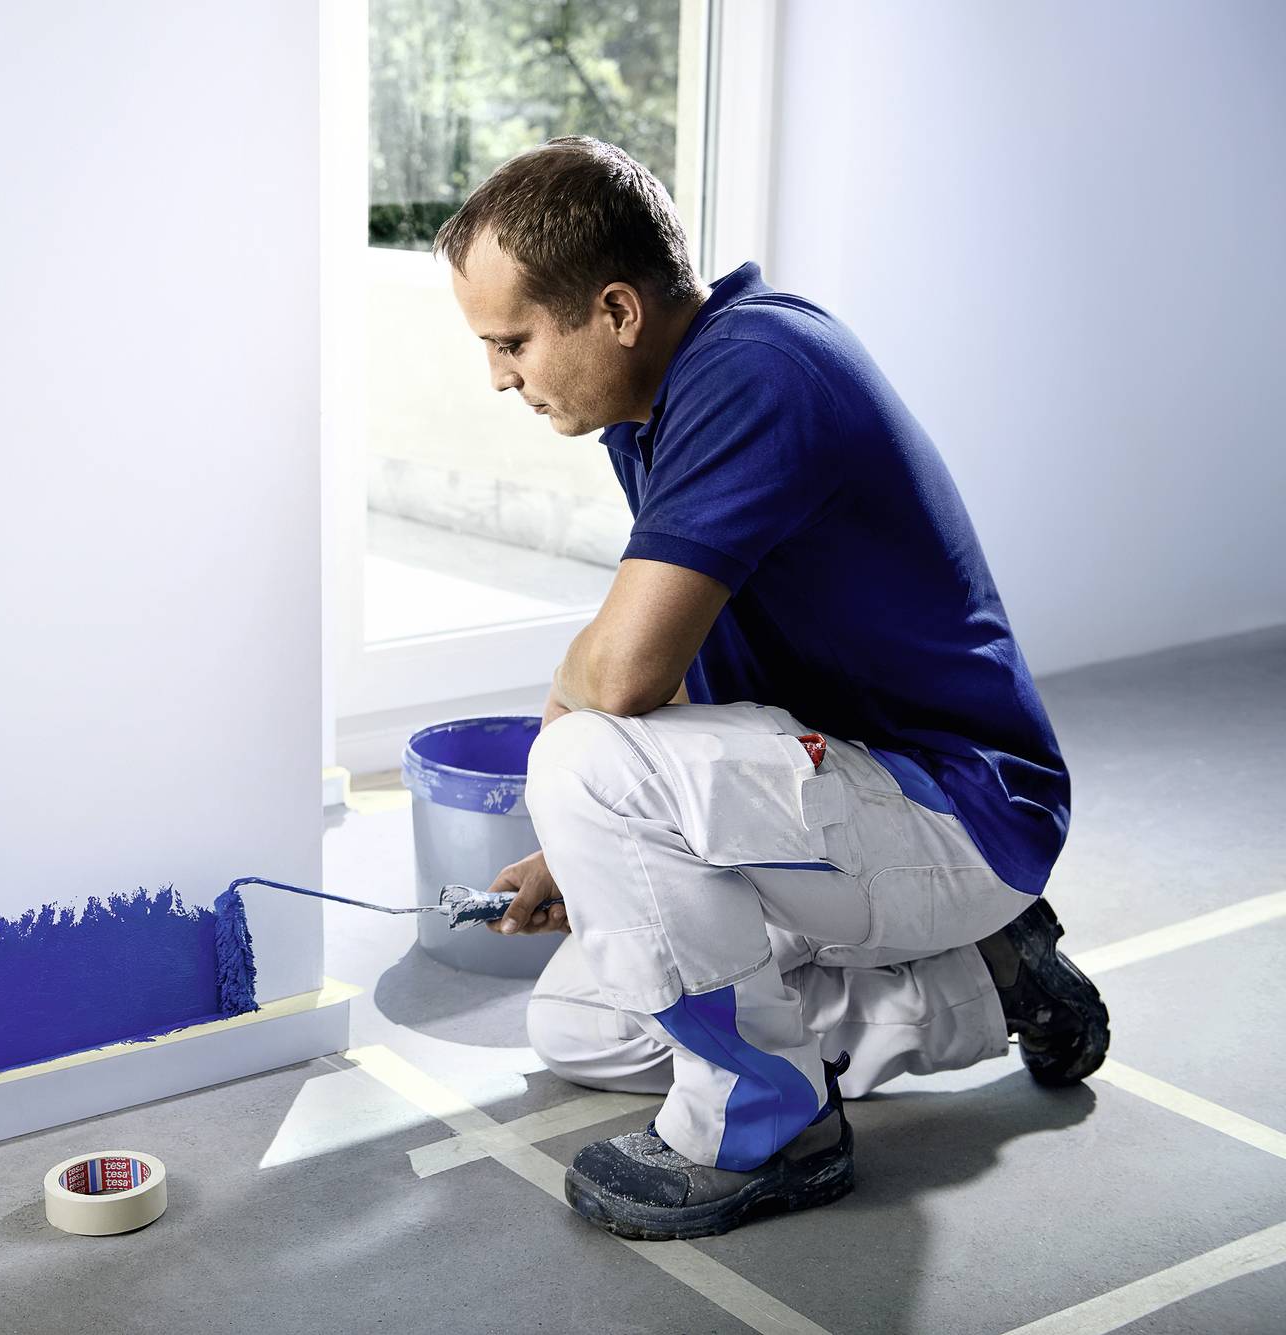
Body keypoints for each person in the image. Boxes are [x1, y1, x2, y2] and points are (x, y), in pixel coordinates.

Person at [435, 136, 1109, 1242]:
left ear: (615, 311)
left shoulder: (758, 373)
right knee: (576, 1024)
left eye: (512, 341)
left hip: (952, 813)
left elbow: (623, 672)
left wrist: (580, 779)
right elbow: (678, 669)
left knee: (577, 756)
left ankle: (768, 1127)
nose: (499, 376)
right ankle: (986, 989)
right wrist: (582, 849)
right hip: (831, 808)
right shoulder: (651, 408)